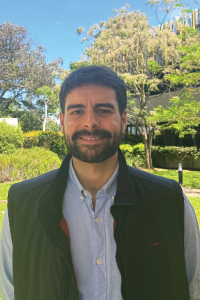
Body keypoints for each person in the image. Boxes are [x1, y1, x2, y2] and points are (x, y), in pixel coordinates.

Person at [0, 65, 200, 300]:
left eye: (103, 110)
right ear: (62, 121)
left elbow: (192, 290)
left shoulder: (170, 202)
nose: (90, 123)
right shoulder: (22, 206)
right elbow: (12, 292)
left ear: (123, 119)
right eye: (77, 111)